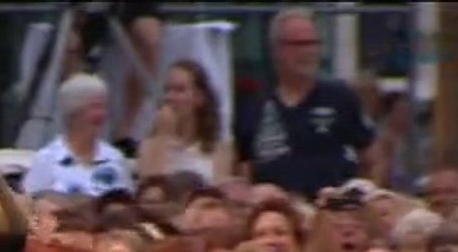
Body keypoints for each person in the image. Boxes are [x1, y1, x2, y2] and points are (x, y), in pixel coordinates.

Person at [234, 7, 376, 199]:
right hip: (277, 217)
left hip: (332, 212)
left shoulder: (341, 97)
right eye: (299, 44)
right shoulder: (254, 105)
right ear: (277, 49)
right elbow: (243, 167)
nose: (308, 52)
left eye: (313, 43)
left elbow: (371, 156)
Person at [23, 74, 132, 198]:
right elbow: (29, 207)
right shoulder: (47, 159)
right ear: (73, 112)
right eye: (96, 107)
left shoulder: (115, 158)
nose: (103, 114)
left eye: (104, 107)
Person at [137, 60, 233, 183]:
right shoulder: (149, 146)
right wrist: (162, 137)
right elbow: (152, 191)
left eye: (179, 90)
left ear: (199, 97)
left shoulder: (220, 149)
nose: (169, 97)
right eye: (167, 90)